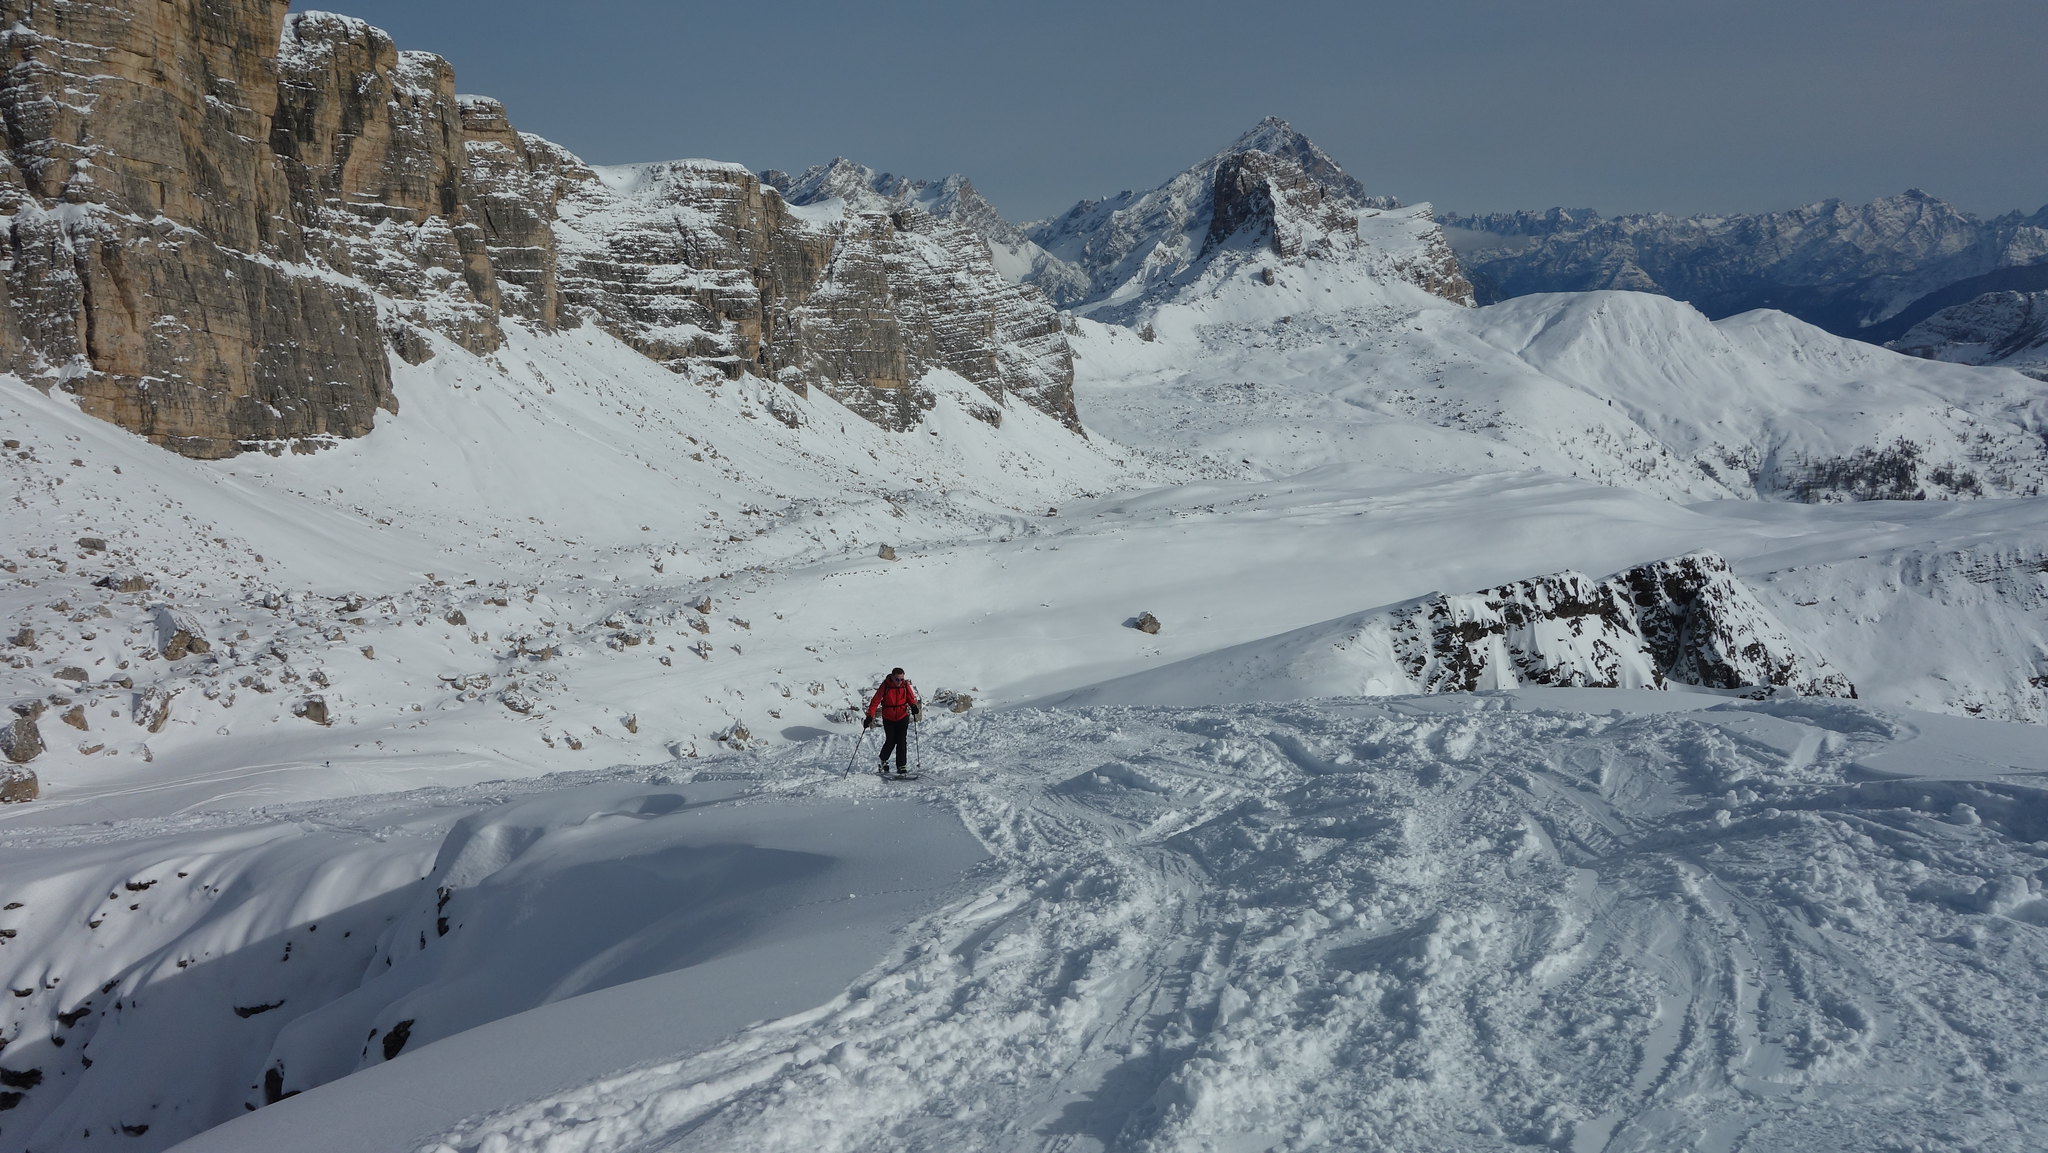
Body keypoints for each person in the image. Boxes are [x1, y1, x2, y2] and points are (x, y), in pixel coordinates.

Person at [864, 667, 923, 775]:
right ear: (892, 677)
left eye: (901, 679)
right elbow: (875, 701)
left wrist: (913, 706)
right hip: (888, 718)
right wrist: (869, 716)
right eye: (897, 679)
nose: (899, 682)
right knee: (891, 740)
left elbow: (910, 697)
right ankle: (883, 760)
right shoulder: (885, 685)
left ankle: (901, 766)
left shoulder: (905, 685)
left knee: (901, 741)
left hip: (902, 716)